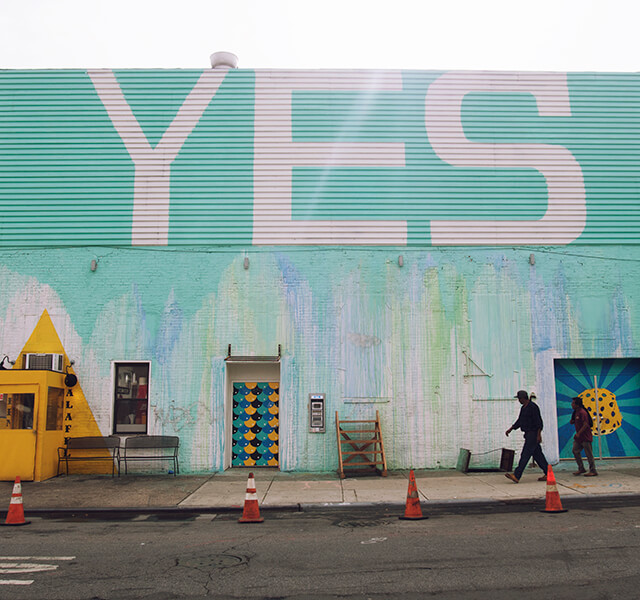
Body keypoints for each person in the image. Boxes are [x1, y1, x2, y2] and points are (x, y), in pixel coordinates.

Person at [504, 390, 549, 483]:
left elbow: (539, 422)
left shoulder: (533, 407)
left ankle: (517, 475)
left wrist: (539, 435)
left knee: (525, 455)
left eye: (519, 398)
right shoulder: (523, 408)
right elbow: (520, 421)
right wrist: (511, 428)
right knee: (538, 456)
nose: (519, 400)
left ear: (523, 398)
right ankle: (548, 473)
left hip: (533, 434)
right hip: (528, 434)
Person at [570, 396, 597, 477]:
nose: (571, 405)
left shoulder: (582, 412)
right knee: (575, 450)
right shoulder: (575, 412)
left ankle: (593, 470)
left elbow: (586, 424)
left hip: (585, 436)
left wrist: (579, 433)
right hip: (579, 438)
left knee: (588, 453)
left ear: (577, 405)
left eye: (573, 403)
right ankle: (581, 468)